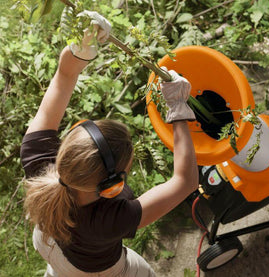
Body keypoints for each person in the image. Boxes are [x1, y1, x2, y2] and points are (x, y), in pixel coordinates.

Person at [21, 11, 198, 277]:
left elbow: (63, 77)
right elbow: (186, 182)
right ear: (112, 187)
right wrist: (178, 108)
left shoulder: (38, 159)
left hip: (47, 244)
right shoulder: (110, 219)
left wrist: (80, 48)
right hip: (93, 270)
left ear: (69, 147)